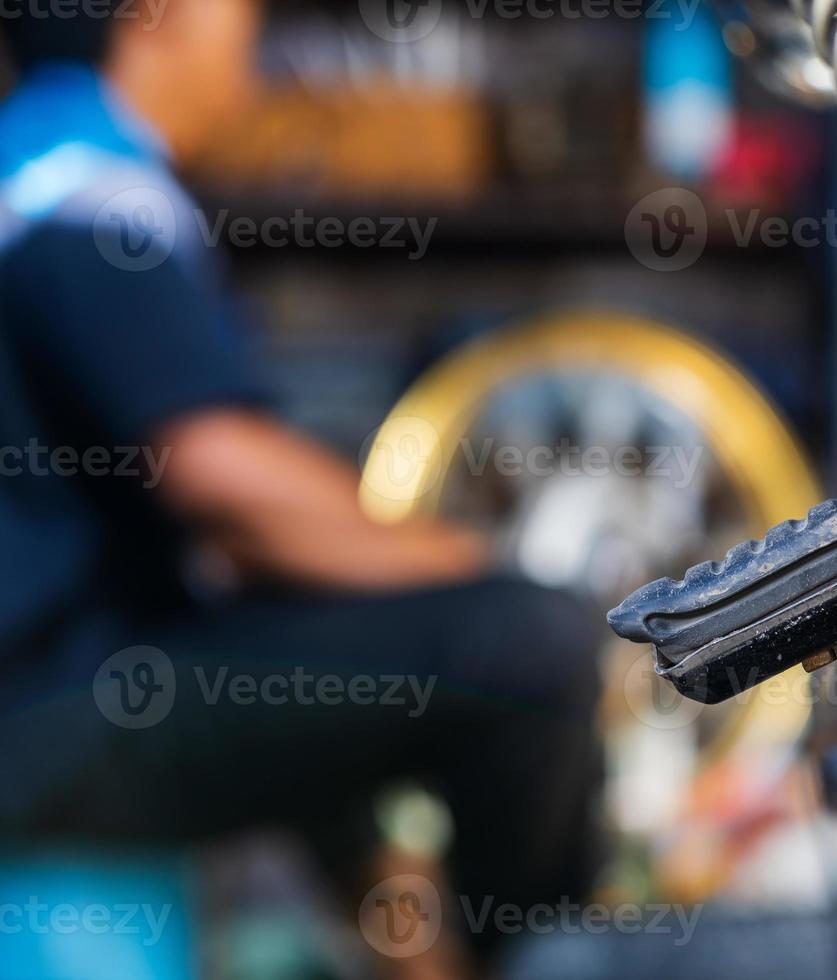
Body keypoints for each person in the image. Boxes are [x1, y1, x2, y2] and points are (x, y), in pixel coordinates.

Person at [0, 3, 603, 976]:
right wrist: (458, 562)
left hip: (69, 691)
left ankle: (426, 955)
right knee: (528, 644)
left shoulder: (29, 168)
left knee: (297, 645)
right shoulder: (79, 194)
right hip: (43, 713)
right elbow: (218, 471)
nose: (253, 24)